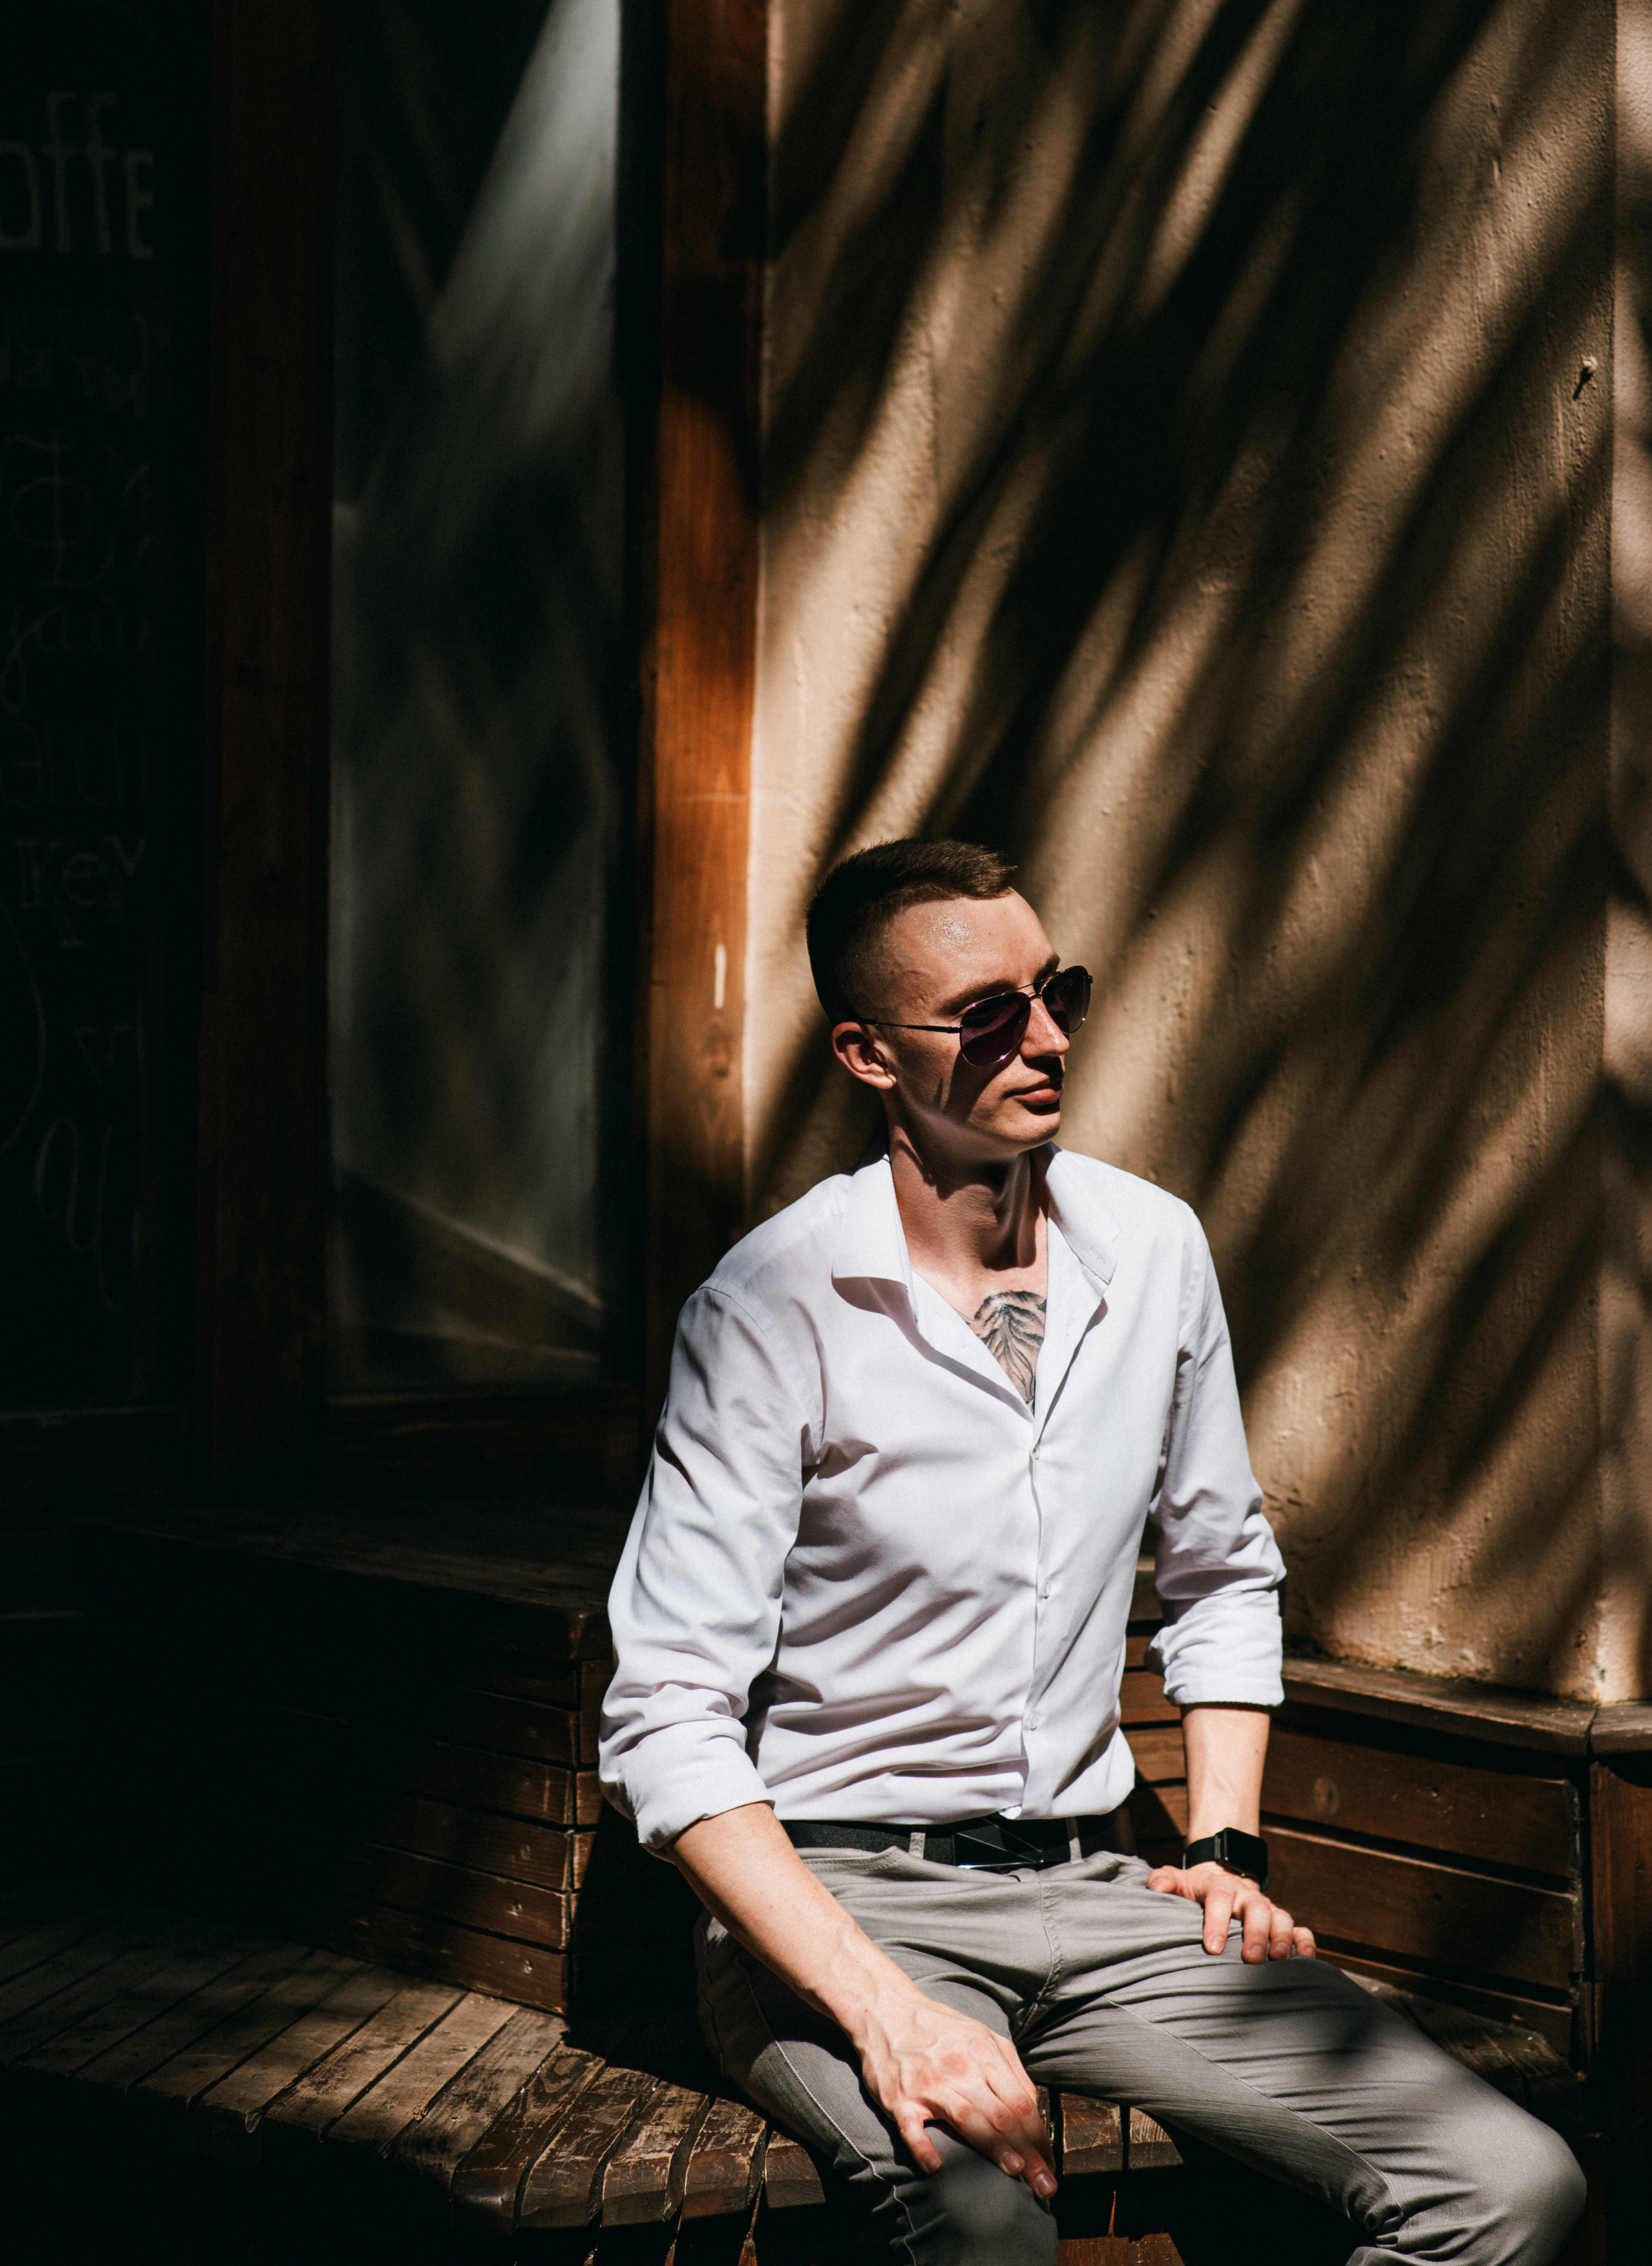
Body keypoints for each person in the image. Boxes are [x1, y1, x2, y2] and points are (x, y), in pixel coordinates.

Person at [600, 839, 1586, 2265]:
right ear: (867, 1056)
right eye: (986, 1014)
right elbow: (665, 1714)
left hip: (1103, 1890)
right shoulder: (770, 1307)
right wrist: (882, 2009)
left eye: (1051, 991)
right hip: (844, 1900)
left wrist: (1225, 1843)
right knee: (985, 2228)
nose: (1048, 1038)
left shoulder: (1150, 1247)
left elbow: (1219, 1566)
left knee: (1508, 2183)